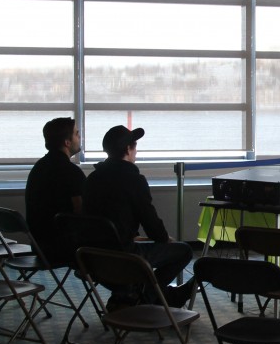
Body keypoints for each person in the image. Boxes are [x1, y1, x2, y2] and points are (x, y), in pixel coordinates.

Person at [82, 125, 194, 307]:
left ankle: (135, 295)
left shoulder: (92, 179)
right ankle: (143, 297)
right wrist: (165, 239)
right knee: (184, 251)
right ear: (128, 149)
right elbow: (150, 222)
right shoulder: (134, 180)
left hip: (92, 257)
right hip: (124, 256)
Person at [24, 117, 85, 269]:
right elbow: (83, 212)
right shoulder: (71, 172)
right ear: (67, 142)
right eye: (76, 134)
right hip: (63, 248)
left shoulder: (39, 167)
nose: (80, 137)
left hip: (39, 245)